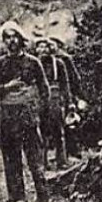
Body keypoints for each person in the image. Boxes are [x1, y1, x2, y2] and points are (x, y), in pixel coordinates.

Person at [0, 21, 52, 202]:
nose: (11, 41)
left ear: (21, 39)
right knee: (11, 158)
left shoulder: (33, 62)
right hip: (8, 116)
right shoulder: (0, 64)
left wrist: (40, 110)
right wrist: (7, 87)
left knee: (35, 159)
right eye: (7, 37)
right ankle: (17, 198)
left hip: (28, 116)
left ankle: (43, 199)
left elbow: (44, 88)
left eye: (14, 36)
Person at [33, 35, 74, 169]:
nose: (43, 50)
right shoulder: (34, 64)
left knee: (58, 131)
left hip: (55, 99)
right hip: (40, 100)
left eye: (45, 46)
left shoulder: (59, 64)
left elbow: (65, 85)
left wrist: (69, 102)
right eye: (40, 47)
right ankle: (42, 162)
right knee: (42, 132)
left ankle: (61, 161)